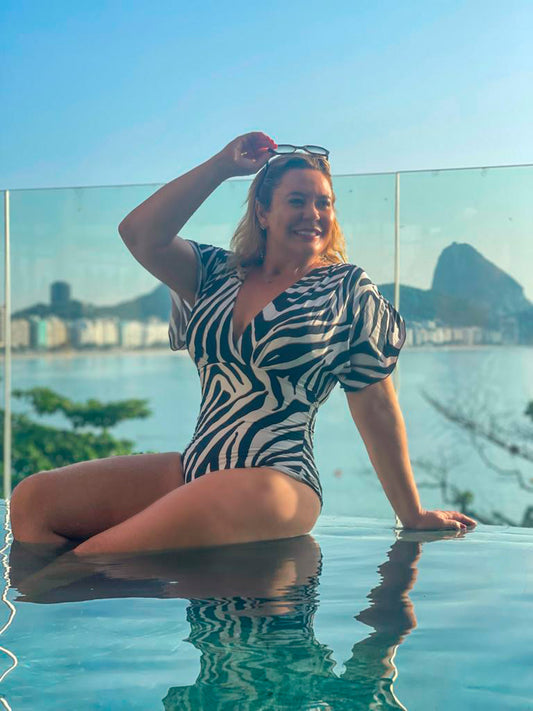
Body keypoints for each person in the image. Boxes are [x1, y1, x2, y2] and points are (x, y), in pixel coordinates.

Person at [10, 131, 476, 555]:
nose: (314, 214)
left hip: (279, 478)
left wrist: (411, 514)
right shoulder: (216, 273)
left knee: (93, 557)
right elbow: (139, 234)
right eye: (297, 201)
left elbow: (376, 406)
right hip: (196, 467)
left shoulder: (348, 290)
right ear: (263, 212)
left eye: (325, 203)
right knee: (32, 501)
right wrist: (222, 165)